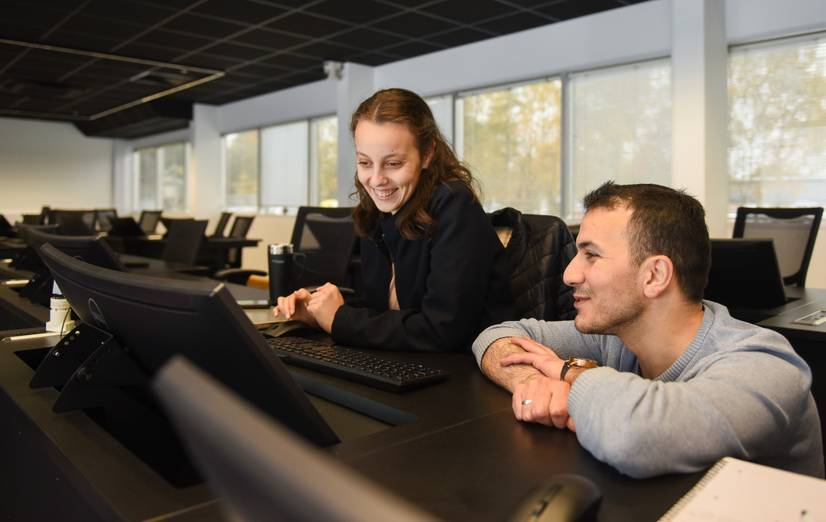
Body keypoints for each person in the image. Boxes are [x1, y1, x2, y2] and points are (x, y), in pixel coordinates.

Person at [472, 182, 824, 479]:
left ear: (654, 276)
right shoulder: (617, 338)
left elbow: (637, 435)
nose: (569, 274)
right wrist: (533, 384)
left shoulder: (767, 366)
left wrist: (571, 375)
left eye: (591, 255)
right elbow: (497, 336)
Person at [274, 88, 513, 352]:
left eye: (393, 164)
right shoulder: (376, 211)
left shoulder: (455, 205)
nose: (376, 180)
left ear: (427, 154)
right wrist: (319, 313)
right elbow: (380, 311)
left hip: (461, 366)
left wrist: (339, 319)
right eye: (365, 163)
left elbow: (443, 329)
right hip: (404, 360)